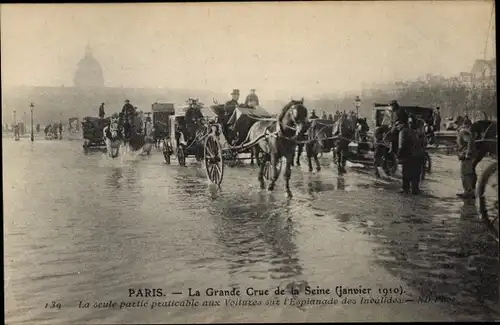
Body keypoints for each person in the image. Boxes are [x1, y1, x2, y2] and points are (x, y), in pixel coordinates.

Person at [397, 113, 424, 194]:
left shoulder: (405, 131)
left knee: (407, 173)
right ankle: (414, 189)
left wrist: (399, 154)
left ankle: (407, 189)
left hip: (410, 156)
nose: (410, 124)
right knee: (414, 173)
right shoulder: (418, 132)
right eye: (409, 123)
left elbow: (402, 144)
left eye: (411, 122)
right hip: (416, 156)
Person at [456, 118, 476, 199]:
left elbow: (469, 141)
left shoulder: (463, 131)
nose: (457, 125)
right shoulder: (466, 131)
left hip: (466, 157)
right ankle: (468, 191)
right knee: (467, 174)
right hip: (466, 156)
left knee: (465, 174)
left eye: (458, 123)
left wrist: (467, 153)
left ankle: (469, 192)